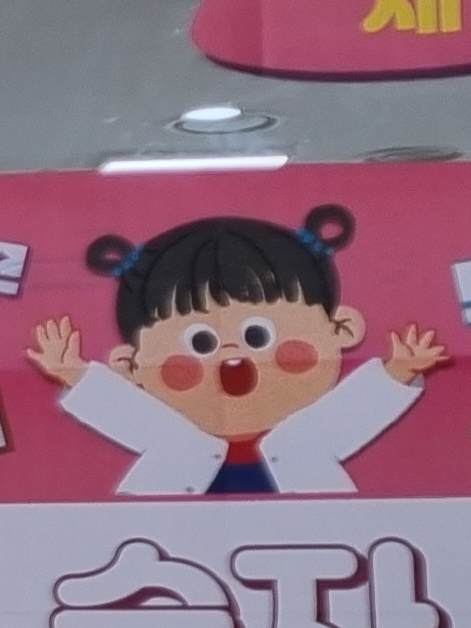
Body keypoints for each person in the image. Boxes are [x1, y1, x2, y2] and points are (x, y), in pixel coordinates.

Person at [27, 205, 444, 496]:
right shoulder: (169, 441)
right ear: (130, 365)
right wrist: (75, 375)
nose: (232, 357)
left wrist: (397, 372)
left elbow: (349, 412)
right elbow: (131, 415)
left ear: (342, 330)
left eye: (259, 337)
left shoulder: (308, 438)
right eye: (199, 344)